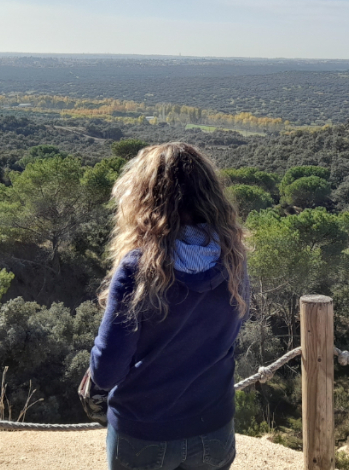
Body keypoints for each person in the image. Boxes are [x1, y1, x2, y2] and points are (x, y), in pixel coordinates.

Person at [89, 142, 249, 470]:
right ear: (210, 194)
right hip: (215, 428)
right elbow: (232, 328)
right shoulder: (233, 256)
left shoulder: (138, 266)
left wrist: (91, 383)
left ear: (145, 198)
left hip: (143, 433)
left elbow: (107, 368)